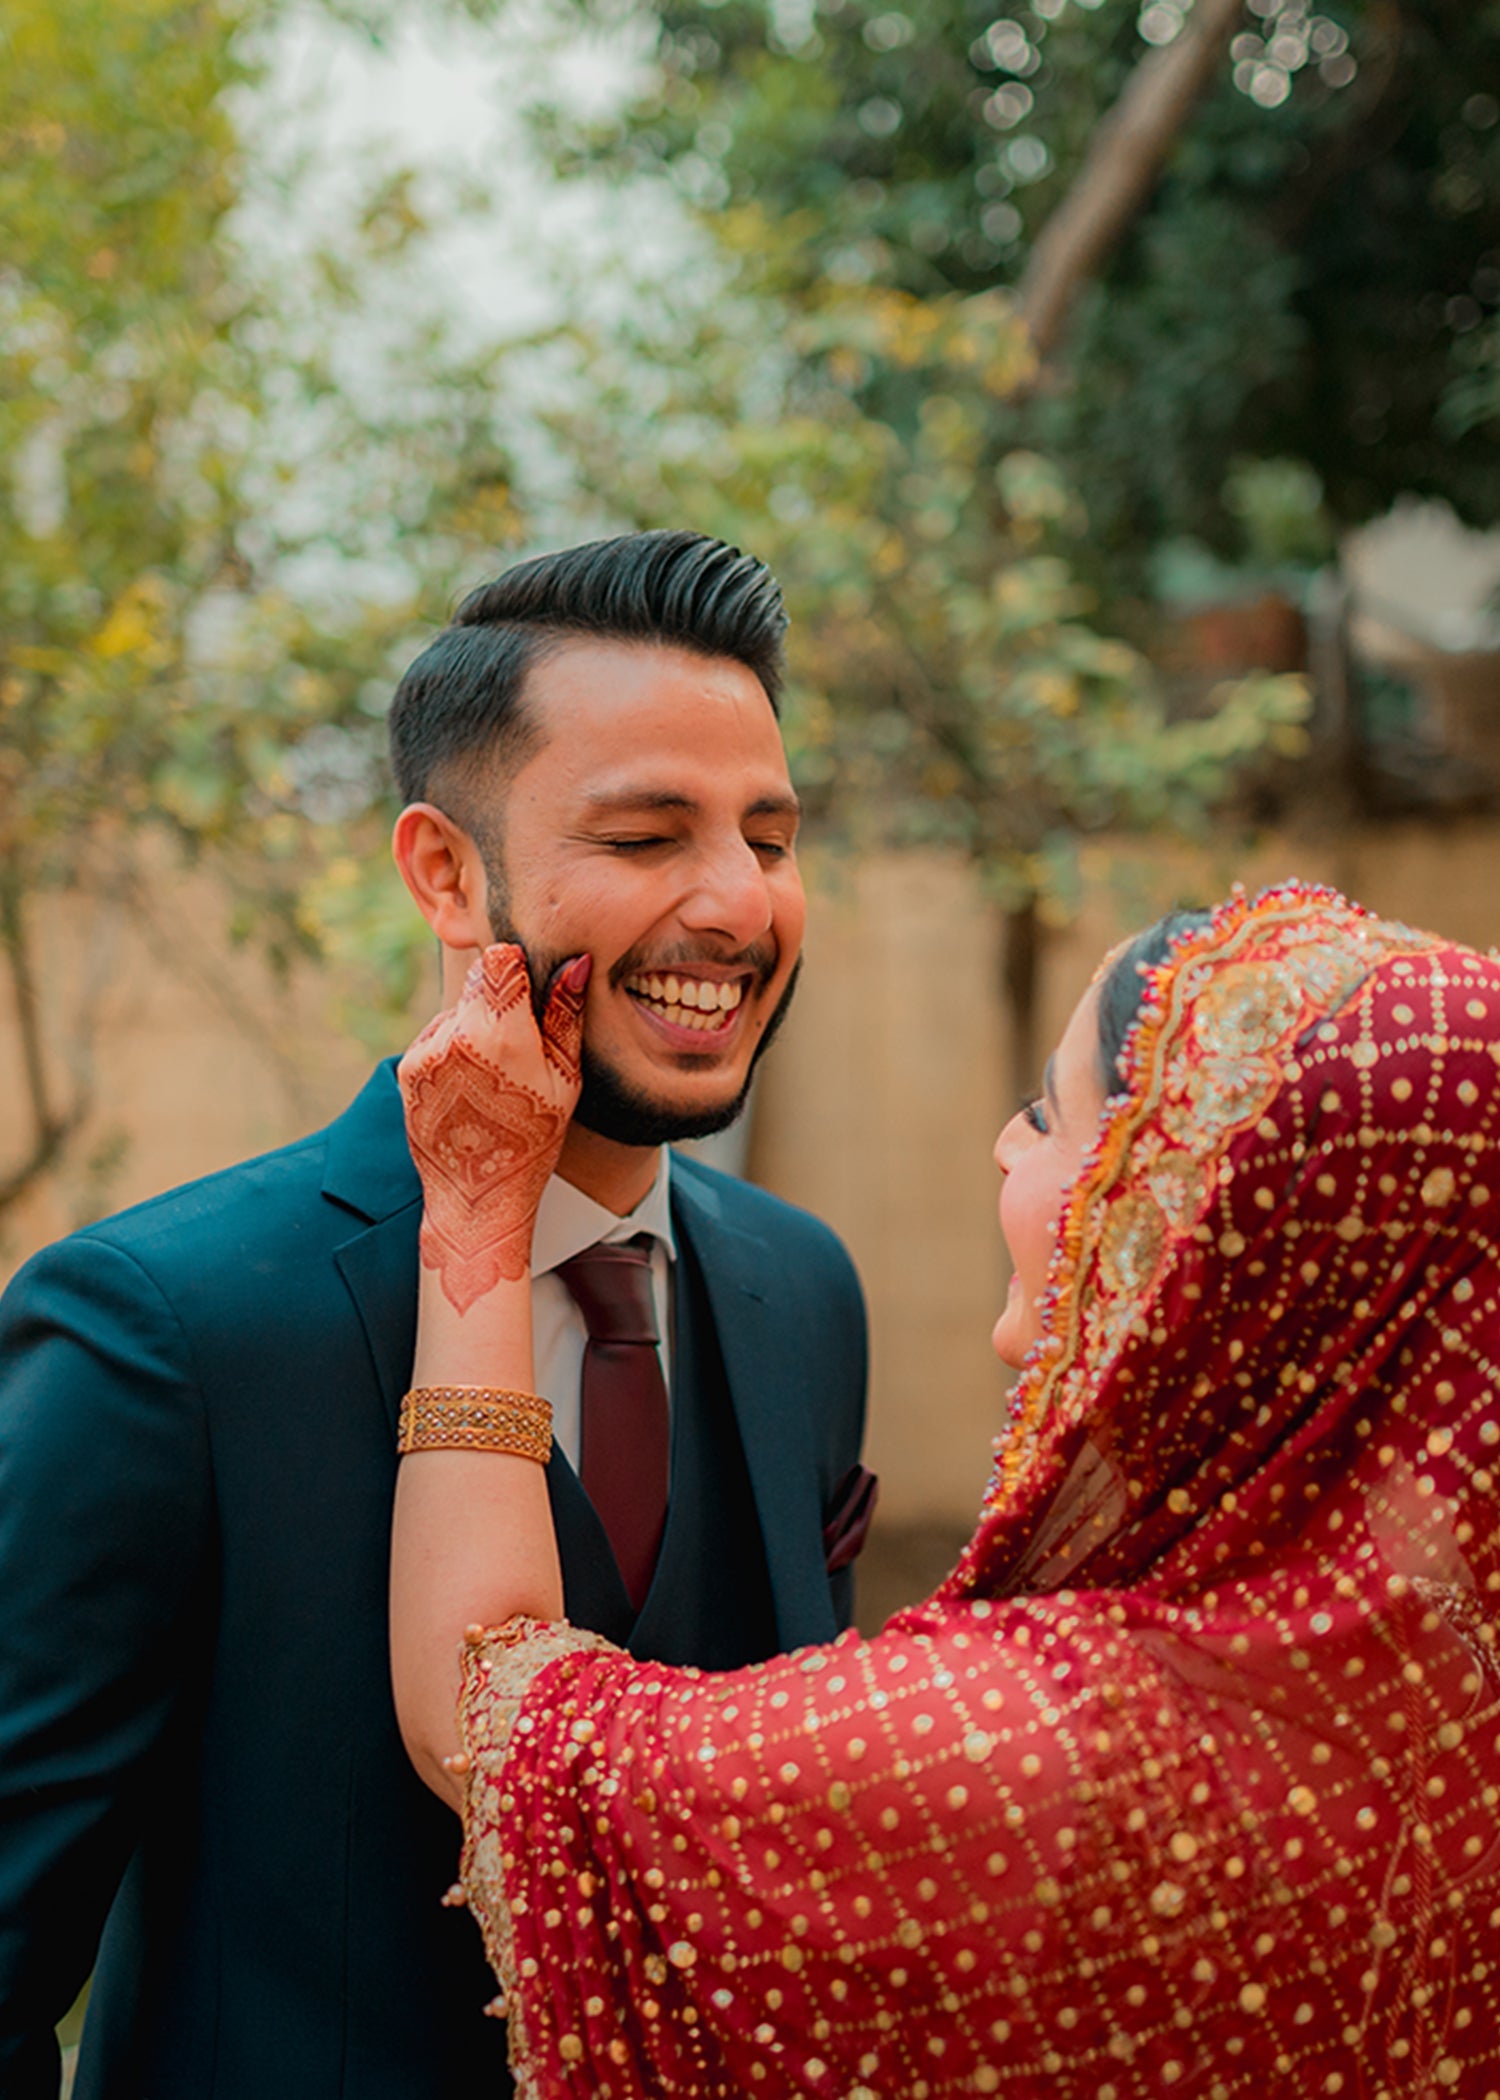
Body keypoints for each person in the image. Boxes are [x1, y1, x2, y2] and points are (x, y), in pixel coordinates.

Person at [0, 532, 872, 2099]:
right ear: (445, 872)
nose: (739, 903)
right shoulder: (161, 1326)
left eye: (771, 834)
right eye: (649, 833)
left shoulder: (801, 1288)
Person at [390, 880, 1500, 2097]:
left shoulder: (1034, 1754)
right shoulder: (1447, 1716)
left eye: (1049, 1115)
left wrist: (480, 1220)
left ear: (1179, 1236)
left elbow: (497, 1712)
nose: (1004, 1143)